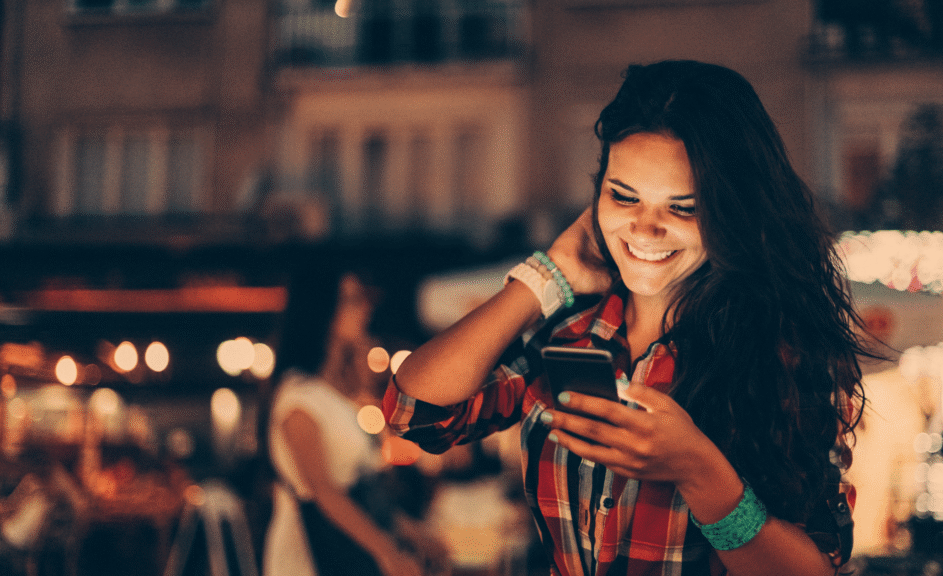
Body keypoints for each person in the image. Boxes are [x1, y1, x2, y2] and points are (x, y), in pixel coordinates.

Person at [384, 60, 868, 576]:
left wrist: (698, 470)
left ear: (732, 212)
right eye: (623, 196)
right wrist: (547, 275)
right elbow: (416, 413)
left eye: (683, 208)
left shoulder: (781, 352)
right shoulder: (568, 334)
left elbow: (816, 568)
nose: (644, 228)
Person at [263, 263, 448, 576]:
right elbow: (324, 492)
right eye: (353, 300)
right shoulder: (298, 398)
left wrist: (408, 530)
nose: (365, 309)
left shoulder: (332, 393)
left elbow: (360, 491)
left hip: (347, 552)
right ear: (322, 311)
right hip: (312, 557)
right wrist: (387, 552)